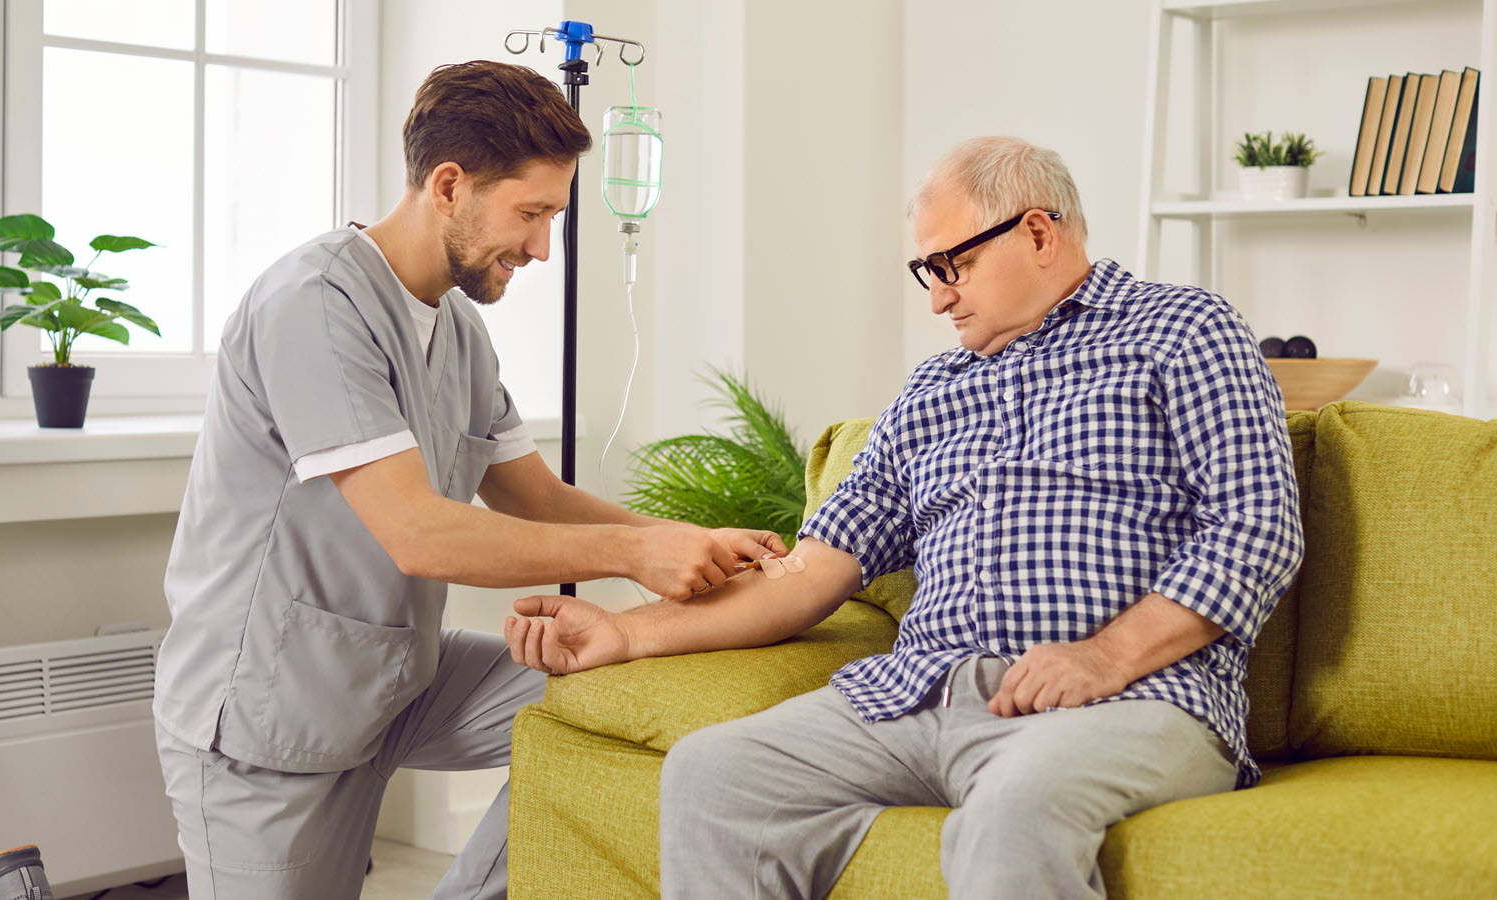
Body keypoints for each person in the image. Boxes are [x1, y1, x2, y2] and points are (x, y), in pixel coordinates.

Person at [502, 136, 1304, 899]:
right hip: (921, 694)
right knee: (713, 773)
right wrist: (627, 632)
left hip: (1130, 701)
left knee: (1015, 807)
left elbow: (1257, 525)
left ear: (1038, 232)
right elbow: (811, 570)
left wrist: (1102, 657)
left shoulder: (1183, 330)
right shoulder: (928, 394)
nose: (939, 296)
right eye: (928, 270)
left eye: (953, 264)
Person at [152, 60, 784, 900]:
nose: (539, 248)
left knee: (630, 694)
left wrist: (688, 544)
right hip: (272, 711)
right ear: (449, 184)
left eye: (551, 218)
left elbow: (537, 497)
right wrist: (636, 553)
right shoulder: (313, 303)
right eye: (530, 214)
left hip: (396, 677)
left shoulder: (456, 327)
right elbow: (418, 534)